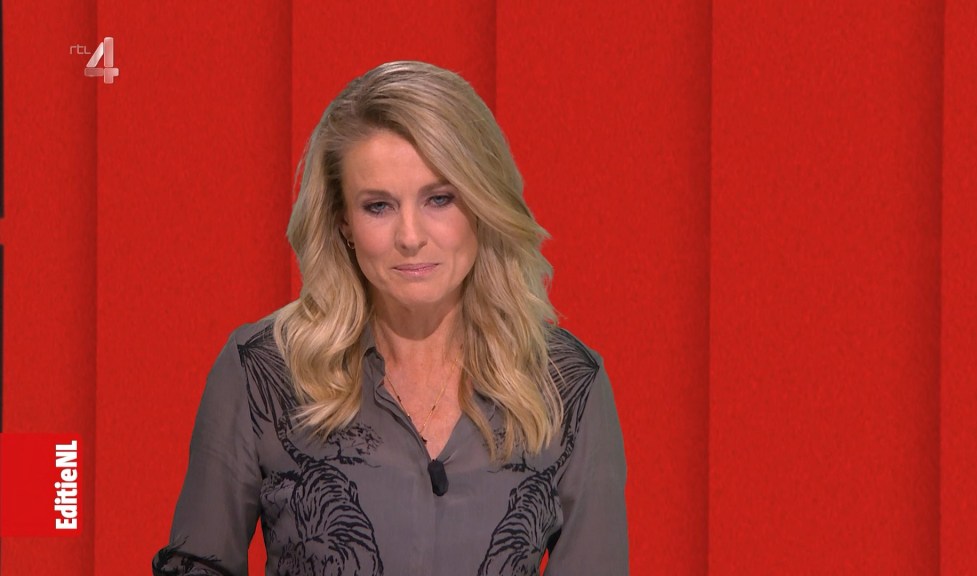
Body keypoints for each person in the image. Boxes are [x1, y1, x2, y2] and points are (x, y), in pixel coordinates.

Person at [152, 60, 628, 576]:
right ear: (343, 222)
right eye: (378, 206)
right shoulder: (262, 372)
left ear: (483, 205)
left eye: (439, 199)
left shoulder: (567, 385)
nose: (410, 237)